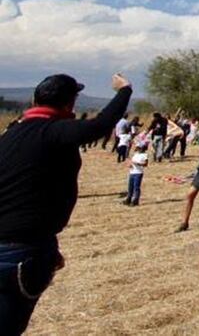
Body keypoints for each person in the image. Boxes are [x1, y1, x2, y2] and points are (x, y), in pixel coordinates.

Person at [0, 72, 132, 335]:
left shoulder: (10, 135)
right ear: (69, 104)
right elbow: (100, 125)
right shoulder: (54, 132)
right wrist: (124, 91)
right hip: (22, 251)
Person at [125, 140, 148, 206]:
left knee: (136, 187)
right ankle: (128, 199)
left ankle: (135, 200)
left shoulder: (144, 155)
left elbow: (145, 164)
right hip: (132, 172)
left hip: (138, 173)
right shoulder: (135, 154)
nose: (137, 148)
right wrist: (130, 165)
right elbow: (131, 162)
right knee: (130, 187)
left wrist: (138, 164)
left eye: (138, 147)